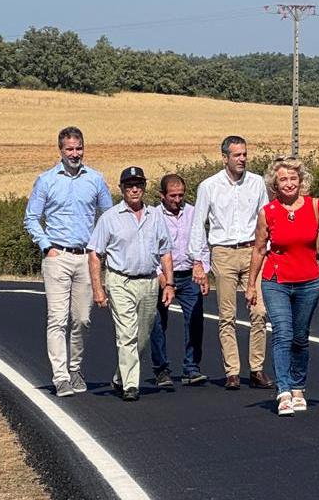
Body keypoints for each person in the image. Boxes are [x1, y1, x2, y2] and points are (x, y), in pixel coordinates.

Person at [24, 126, 113, 397]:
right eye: (69, 149)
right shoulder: (46, 180)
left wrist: (100, 249)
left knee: (82, 319)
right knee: (57, 319)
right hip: (57, 256)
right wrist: (46, 246)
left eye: (79, 148)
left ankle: (75, 369)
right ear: (60, 150)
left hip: (86, 257)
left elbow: (108, 216)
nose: (75, 154)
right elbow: (31, 218)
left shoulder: (95, 179)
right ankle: (60, 376)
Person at [246, 157, 319, 417]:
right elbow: (259, 249)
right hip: (276, 281)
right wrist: (251, 285)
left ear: (301, 181)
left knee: (300, 336)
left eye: (293, 178)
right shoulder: (268, 212)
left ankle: (298, 388)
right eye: (283, 179)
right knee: (282, 333)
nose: (288, 184)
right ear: (275, 184)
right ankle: (284, 391)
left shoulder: (316, 206)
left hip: (308, 281)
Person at [188, 135, 272, 390]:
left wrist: (268, 251)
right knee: (227, 315)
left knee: (259, 312)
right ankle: (232, 371)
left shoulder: (257, 183)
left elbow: (266, 219)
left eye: (245, 154)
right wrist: (198, 261)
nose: (242, 159)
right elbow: (198, 224)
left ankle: (256, 369)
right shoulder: (209, 186)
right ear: (225, 158)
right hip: (223, 253)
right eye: (237, 155)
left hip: (252, 251)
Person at [86, 167, 175, 402]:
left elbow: (165, 252)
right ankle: (131, 386)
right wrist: (98, 288)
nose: (134, 190)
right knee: (127, 333)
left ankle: (120, 377)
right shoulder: (109, 218)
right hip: (120, 280)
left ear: (144, 188)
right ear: (122, 189)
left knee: (142, 336)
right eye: (129, 186)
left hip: (149, 281)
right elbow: (95, 253)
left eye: (138, 185)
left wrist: (169, 284)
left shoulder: (155, 216)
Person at [148, 173, 209, 387]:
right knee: (157, 323)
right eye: (172, 196)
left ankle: (191, 368)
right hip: (163, 276)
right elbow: (149, 248)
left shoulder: (193, 213)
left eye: (180, 195)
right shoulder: (153, 216)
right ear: (162, 195)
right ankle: (161, 369)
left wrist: (203, 269)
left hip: (189, 274)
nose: (177, 200)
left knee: (195, 320)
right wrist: (160, 275)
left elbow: (202, 243)